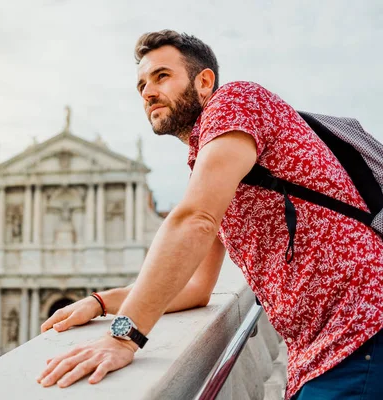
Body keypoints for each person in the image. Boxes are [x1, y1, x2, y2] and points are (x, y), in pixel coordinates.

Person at [36, 30, 383, 400]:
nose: (148, 92)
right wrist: (102, 301)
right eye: (140, 85)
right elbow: (197, 288)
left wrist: (124, 336)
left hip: (362, 327)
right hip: (322, 349)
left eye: (162, 76)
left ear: (204, 81)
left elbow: (194, 220)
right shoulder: (215, 161)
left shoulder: (236, 100)